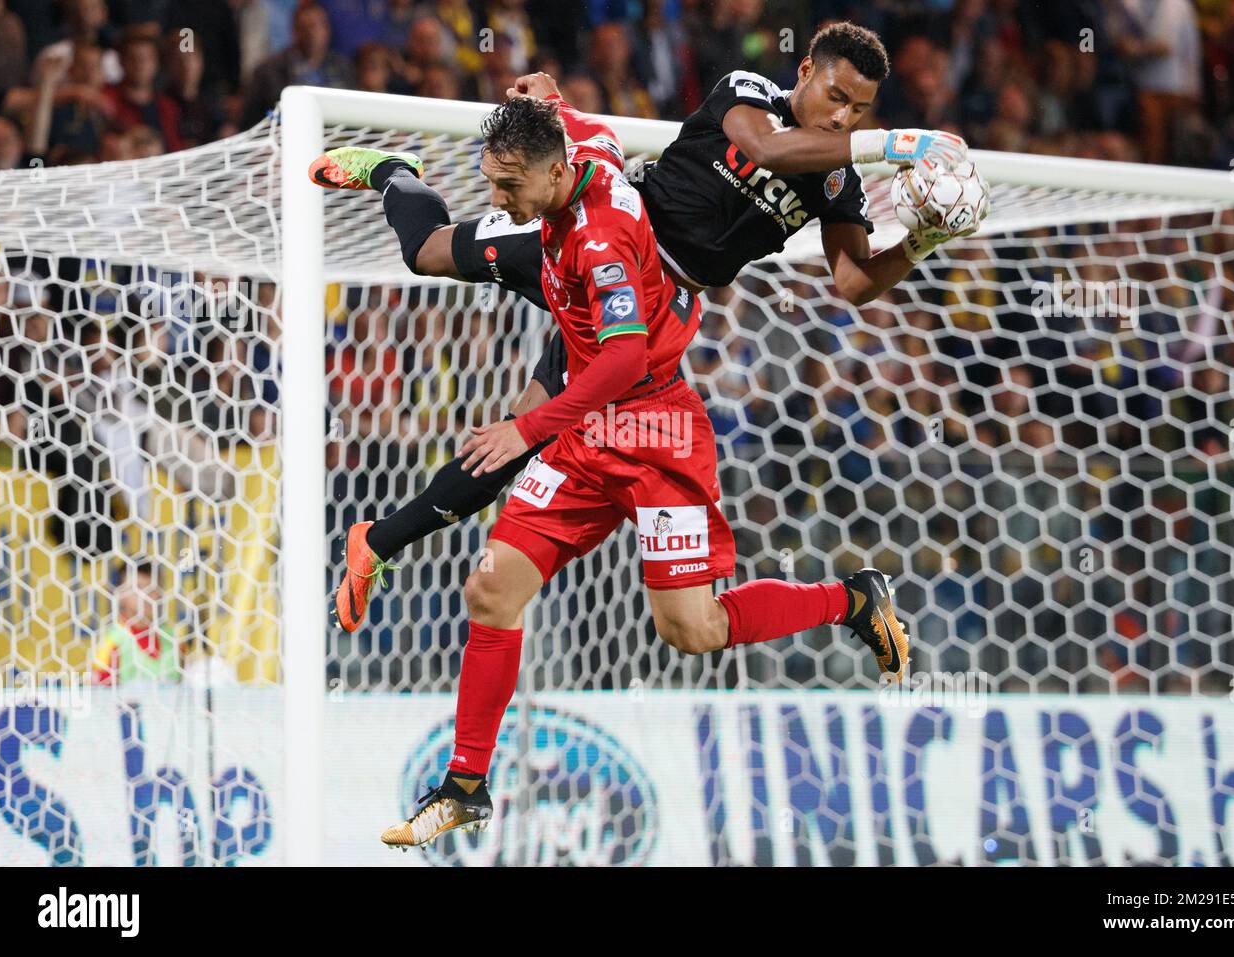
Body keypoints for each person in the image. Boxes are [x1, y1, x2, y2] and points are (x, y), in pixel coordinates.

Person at [309, 22, 986, 658]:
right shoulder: (748, 92)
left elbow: (852, 281)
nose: (842, 118)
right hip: (601, 239)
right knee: (426, 252)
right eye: (835, 96)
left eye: (859, 111)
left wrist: (920, 241)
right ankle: (393, 171)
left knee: (525, 430)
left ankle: (379, 541)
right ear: (804, 70)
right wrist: (897, 145)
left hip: (647, 310)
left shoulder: (837, 177)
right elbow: (766, 149)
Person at [359, 94, 908, 848]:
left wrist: (527, 426)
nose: (498, 198)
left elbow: (621, 359)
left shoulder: (602, 240)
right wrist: (542, 93)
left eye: (508, 185)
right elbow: (574, 115)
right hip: (589, 432)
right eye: (493, 182)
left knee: (692, 629)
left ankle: (849, 601)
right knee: (491, 588)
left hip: (656, 432)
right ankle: (464, 783)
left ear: (555, 175)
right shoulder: (580, 152)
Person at [92, 560, 182, 686]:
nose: (146, 595)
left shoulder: (173, 638)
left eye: (152, 588)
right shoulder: (112, 642)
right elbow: (101, 697)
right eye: (138, 588)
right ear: (120, 594)